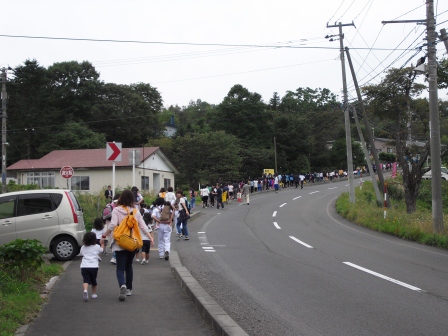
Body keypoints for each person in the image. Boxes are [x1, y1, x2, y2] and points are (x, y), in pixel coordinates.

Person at [100, 189, 153, 301]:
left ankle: (122, 285)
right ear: (132, 199)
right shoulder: (135, 211)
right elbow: (143, 226)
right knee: (129, 266)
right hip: (132, 242)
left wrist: (104, 236)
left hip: (120, 242)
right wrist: (151, 237)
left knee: (120, 267)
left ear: (121, 198)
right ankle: (129, 289)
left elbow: (113, 225)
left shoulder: (116, 210)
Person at [80, 232, 104, 302]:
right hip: (94, 266)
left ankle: (85, 290)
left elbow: (81, 254)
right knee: (93, 281)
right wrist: (102, 244)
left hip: (84, 266)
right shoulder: (97, 246)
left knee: (86, 280)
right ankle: (94, 294)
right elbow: (101, 251)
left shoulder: (83, 247)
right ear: (94, 239)